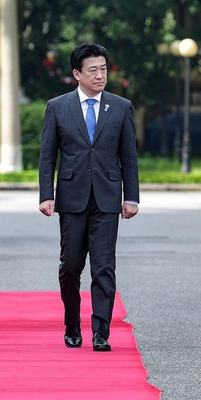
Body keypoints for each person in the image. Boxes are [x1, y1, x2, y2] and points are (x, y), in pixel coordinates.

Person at [38, 43, 140, 352]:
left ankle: (100, 331)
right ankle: (72, 323)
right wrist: (46, 195)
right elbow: (47, 156)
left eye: (104, 69)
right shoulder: (58, 106)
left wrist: (131, 197)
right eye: (93, 70)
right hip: (71, 197)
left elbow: (129, 157)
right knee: (70, 266)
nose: (100, 75)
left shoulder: (121, 107)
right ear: (77, 74)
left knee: (103, 266)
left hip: (108, 199)